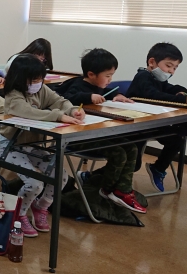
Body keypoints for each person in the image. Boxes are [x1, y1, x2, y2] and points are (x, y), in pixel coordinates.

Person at [1, 55, 83, 237]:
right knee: (34, 184)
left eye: (40, 79)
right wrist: (58, 116)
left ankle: (41, 206)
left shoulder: (41, 89)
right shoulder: (13, 95)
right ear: (20, 78)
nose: (38, 83)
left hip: (33, 145)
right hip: (10, 146)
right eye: (34, 79)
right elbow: (28, 112)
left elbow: (59, 101)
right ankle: (19, 213)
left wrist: (72, 110)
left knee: (60, 176)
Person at [56, 49, 145, 213]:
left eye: (112, 75)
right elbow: (67, 99)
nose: (110, 80)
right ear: (91, 74)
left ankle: (122, 190)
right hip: (77, 138)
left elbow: (107, 94)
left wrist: (117, 96)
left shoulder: (99, 86)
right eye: (108, 76)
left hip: (97, 133)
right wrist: (88, 97)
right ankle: (106, 190)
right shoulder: (77, 85)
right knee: (118, 153)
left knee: (132, 148)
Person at [127, 42, 187, 192]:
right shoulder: (142, 76)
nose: (171, 71)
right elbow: (153, 95)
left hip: (152, 123)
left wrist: (182, 92)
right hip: (135, 127)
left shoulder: (159, 79)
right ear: (152, 62)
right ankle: (91, 177)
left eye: (175, 68)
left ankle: (158, 168)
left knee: (177, 139)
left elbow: (170, 88)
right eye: (169, 66)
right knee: (133, 164)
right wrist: (180, 99)